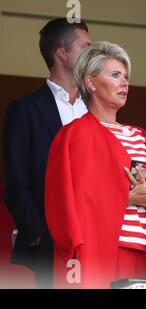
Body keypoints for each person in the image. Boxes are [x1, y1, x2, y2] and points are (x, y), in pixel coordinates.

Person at [44, 41, 146, 288]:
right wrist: (125, 198)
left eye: (126, 76)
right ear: (91, 82)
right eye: (115, 75)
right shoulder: (74, 135)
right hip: (107, 252)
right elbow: (63, 204)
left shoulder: (138, 135)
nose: (124, 82)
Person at [2, 18, 91, 288]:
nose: (93, 54)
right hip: (49, 243)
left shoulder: (98, 105)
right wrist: (39, 234)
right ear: (61, 54)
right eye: (85, 46)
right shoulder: (24, 109)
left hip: (99, 237)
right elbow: (16, 181)